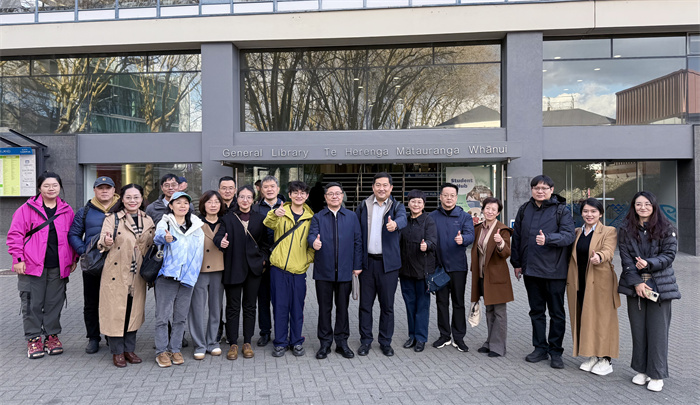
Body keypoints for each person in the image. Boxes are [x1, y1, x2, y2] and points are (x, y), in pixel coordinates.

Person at [7, 172, 78, 359]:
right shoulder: (26, 209)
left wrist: (74, 259)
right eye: (46, 185)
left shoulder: (66, 210)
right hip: (31, 266)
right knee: (32, 303)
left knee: (54, 303)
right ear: (39, 188)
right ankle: (33, 338)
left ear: (60, 187)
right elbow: (15, 235)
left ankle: (51, 337)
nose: (51, 189)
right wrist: (18, 259)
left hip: (58, 266)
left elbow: (73, 236)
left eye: (55, 185)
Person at [510, 174, 575, 369]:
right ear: (532, 190)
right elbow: (517, 238)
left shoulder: (561, 211)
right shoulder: (524, 209)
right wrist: (517, 263)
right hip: (531, 270)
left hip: (555, 270)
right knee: (536, 312)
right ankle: (539, 348)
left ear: (551, 190)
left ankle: (556, 351)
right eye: (536, 188)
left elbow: (569, 236)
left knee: (556, 313)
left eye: (544, 188)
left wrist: (548, 239)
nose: (540, 191)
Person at [618, 191, 680, 392]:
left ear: (654, 206)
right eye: (638, 204)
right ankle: (642, 370)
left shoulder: (667, 228)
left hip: (660, 286)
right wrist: (637, 283)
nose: (642, 207)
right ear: (633, 207)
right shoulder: (626, 229)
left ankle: (657, 374)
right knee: (639, 331)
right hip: (635, 286)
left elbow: (669, 255)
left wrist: (648, 263)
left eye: (647, 204)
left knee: (657, 332)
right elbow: (626, 260)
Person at [97, 184, 155, 367]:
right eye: (128, 197)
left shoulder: (148, 220)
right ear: (122, 199)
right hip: (116, 272)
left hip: (138, 274)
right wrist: (106, 241)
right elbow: (102, 241)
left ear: (142, 199)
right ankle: (117, 351)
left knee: (133, 311)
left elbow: (152, 245)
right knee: (116, 311)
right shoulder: (113, 219)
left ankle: (129, 349)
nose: (132, 201)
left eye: (136, 197)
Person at [307, 182, 362, 360]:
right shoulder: (318, 217)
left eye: (338, 193)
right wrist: (313, 242)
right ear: (325, 197)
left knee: (342, 308)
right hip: (324, 271)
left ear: (342, 196)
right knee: (324, 309)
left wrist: (357, 265)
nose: (335, 196)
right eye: (331, 194)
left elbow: (358, 242)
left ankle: (341, 342)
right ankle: (324, 343)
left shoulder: (351, 216)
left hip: (345, 271)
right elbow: (311, 235)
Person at [214, 185, 270, 360]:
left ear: (253, 200)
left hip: (254, 269)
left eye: (248, 197)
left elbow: (266, 243)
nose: (245, 200)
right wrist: (220, 242)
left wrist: (263, 259)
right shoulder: (228, 218)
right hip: (234, 267)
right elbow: (219, 236)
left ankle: (247, 342)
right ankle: (233, 343)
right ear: (237, 199)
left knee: (250, 306)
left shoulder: (260, 218)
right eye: (242, 197)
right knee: (232, 307)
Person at [355, 172, 407, 357]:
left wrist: (396, 225)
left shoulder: (397, 206)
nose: (381, 188)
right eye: (378, 185)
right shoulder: (364, 205)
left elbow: (403, 219)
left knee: (387, 306)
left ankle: (385, 342)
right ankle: (365, 341)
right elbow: (356, 233)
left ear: (391, 188)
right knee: (365, 306)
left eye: (385, 185)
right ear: (373, 187)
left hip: (388, 266)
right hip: (367, 263)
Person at [566, 198, 619, 375]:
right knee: (585, 318)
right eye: (586, 211)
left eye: (593, 211)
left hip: (600, 283)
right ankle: (593, 355)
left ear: (600, 214)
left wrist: (600, 257)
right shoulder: (577, 232)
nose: (589, 214)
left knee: (602, 320)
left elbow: (608, 251)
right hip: (580, 282)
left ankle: (606, 359)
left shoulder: (609, 231)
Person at [68, 176, 119, 354]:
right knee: (91, 302)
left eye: (108, 188)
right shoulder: (85, 211)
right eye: (100, 188)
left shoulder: (123, 209)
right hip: (92, 264)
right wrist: (83, 251)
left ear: (114, 190)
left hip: (117, 263)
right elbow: (73, 234)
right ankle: (93, 337)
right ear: (94, 190)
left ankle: (112, 335)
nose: (104, 191)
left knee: (115, 301)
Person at [153, 191, 205, 368]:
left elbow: (198, 253)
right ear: (171, 205)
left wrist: (193, 274)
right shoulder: (165, 222)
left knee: (180, 317)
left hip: (187, 278)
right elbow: (158, 236)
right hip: (167, 276)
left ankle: (175, 349)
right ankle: (161, 351)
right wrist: (165, 237)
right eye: (178, 202)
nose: (182, 206)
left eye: (185, 203)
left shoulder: (196, 225)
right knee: (162, 317)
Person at [263, 180, 315, 357]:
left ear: (307, 196)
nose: (299, 195)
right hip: (279, 269)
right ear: (290, 195)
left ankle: (296, 341)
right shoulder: (281, 211)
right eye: (295, 192)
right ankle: (280, 342)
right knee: (280, 307)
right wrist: (274, 213)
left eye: (302, 193)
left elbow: (312, 244)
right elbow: (268, 223)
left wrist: (306, 260)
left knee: (297, 308)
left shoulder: (311, 218)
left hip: (299, 271)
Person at [429, 183, 475, 353]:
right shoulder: (432, 216)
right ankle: (444, 335)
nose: (449, 198)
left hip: (458, 267)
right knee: (441, 302)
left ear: (456, 197)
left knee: (458, 302)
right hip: (439, 267)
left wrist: (464, 239)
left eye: (452, 195)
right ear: (440, 197)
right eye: (445, 195)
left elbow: (471, 235)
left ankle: (459, 337)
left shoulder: (464, 217)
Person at [470, 197, 513, 358]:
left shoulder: (503, 230)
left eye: (493, 209)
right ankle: (489, 342)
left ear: (498, 212)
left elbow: (506, 253)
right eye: (487, 208)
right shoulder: (478, 228)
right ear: (483, 209)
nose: (489, 211)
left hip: (497, 277)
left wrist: (500, 243)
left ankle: (498, 346)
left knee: (499, 312)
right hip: (482, 275)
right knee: (489, 310)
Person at [188, 190, 226, 360]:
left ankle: (213, 342)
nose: (213, 205)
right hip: (199, 271)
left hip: (219, 269)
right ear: (203, 205)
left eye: (216, 202)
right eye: (209, 202)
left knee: (216, 308)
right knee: (197, 309)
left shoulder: (225, 222)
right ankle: (199, 344)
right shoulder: (194, 223)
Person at [398, 189, 437, 353]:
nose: (416, 204)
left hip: (423, 272)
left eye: (419, 202)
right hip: (405, 272)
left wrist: (427, 245)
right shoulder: (404, 221)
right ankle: (412, 336)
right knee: (409, 305)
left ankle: (421, 338)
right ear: (408, 203)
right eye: (413, 201)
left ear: (424, 204)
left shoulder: (429, 221)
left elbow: (433, 241)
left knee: (422, 306)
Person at [251, 175, 284, 347]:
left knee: (280, 300)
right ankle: (265, 332)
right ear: (261, 190)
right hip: (262, 260)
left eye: (272, 186)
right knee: (263, 299)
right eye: (266, 187)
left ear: (278, 189)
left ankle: (281, 332)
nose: (269, 189)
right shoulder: (255, 208)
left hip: (282, 260)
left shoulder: (287, 207)